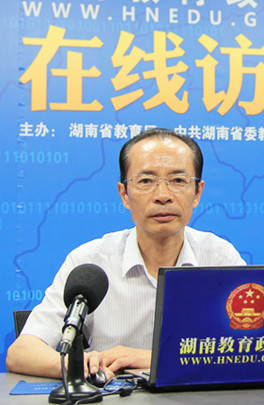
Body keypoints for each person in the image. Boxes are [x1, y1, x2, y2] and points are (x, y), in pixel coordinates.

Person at [6, 128, 245, 380]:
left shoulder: (220, 259)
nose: (162, 196)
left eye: (178, 180)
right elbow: (21, 352)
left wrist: (153, 359)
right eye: (146, 181)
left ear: (197, 193)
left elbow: (251, 350)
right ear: (124, 194)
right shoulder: (90, 261)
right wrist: (78, 366)